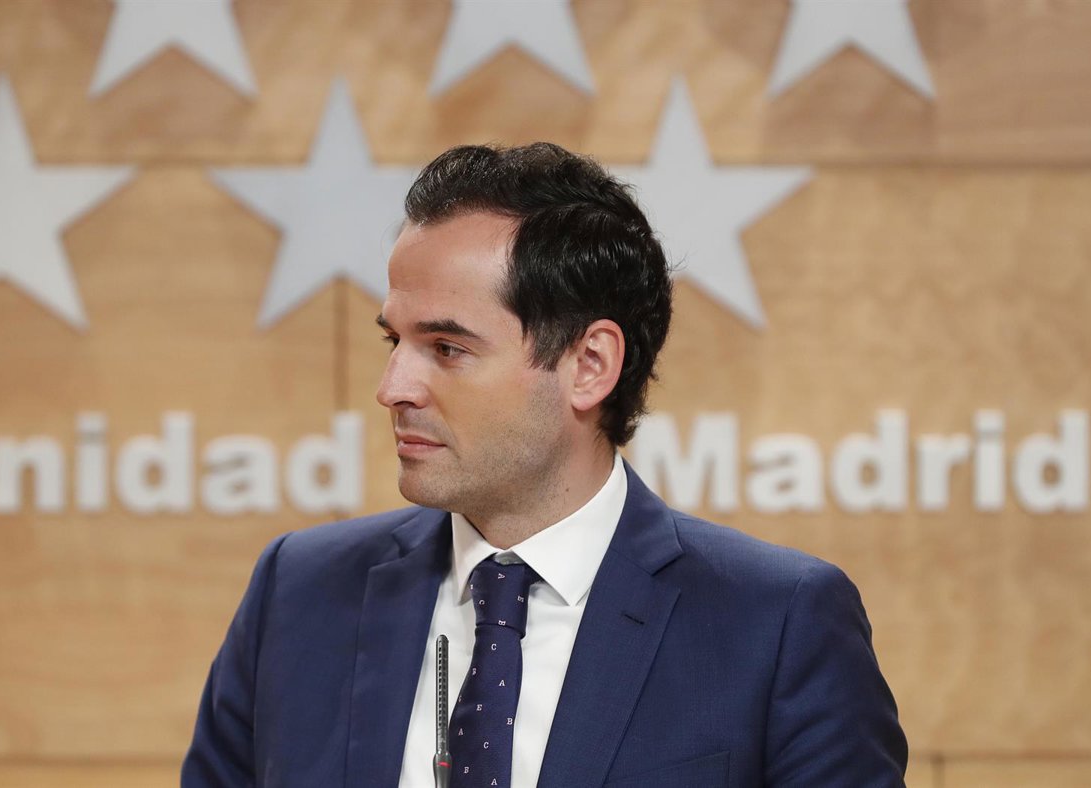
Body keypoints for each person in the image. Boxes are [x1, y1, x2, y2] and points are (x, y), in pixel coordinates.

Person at [182, 143, 907, 787]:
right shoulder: (297, 594)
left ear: (589, 365)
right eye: (393, 342)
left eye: (447, 348)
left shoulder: (776, 624)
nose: (393, 387)